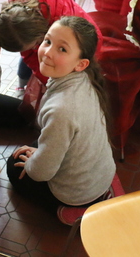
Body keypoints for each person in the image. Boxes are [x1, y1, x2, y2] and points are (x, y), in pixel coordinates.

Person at [7, 16, 115, 225]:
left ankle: (67, 210)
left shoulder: (61, 109)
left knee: (14, 165)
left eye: (62, 49)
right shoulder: (86, 78)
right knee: (36, 147)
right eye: (47, 41)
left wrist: (34, 163)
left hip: (78, 193)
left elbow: (41, 173)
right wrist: (40, 153)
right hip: (101, 173)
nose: (48, 52)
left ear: (81, 63)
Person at [0, 0, 101, 90]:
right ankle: (22, 85)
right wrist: (46, 80)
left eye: (62, 49)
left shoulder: (66, 15)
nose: (47, 53)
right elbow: (29, 56)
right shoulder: (14, 19)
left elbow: (95, 40)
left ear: (40, 36)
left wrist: (56, 81)